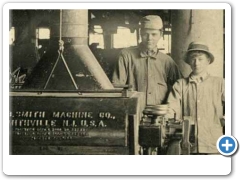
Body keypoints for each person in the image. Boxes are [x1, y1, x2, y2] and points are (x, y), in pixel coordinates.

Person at [167, 41, 225, 154]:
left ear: (208, 61)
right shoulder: (180, 84)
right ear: (188, 61)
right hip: (187, 143)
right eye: (193, 59)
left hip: (213, 143)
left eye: (200, 59)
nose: (196, 63)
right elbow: (171, 109)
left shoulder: (219, 83)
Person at [112, 15, 181, 105]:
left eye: (154, 34)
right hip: (133, 111)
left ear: (161, 34)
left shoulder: (167, 61)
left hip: (159, 114)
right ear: (140, 33)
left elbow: (179, 89)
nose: (149, 38)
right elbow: (117, 87)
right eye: (145, 34)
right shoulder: (126, 56)